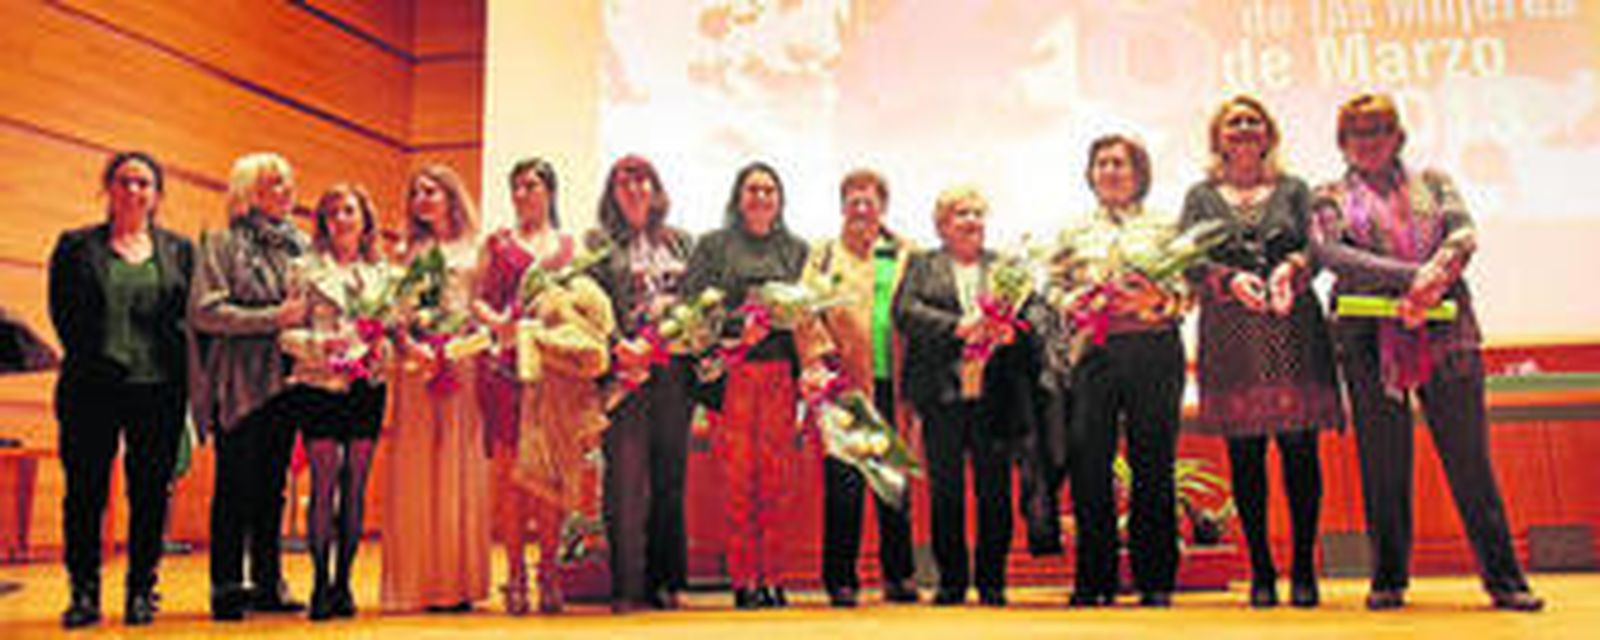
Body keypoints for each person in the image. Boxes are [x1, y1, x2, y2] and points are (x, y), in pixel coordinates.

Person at [1308, 93, 1544, 612]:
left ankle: (1505, 580)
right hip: (1368, 340)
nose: (1368, 141)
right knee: (1383, 462)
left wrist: (1438, 275)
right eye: (1358, 132)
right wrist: (1413, 276)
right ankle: (1388, 579)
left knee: (1469, 460)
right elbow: (1331, 253)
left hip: (1446, 333)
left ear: (1398, 135)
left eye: (1379, 130)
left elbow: (1462, 231)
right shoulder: (1327, 195)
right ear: (1343, 142)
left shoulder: (1434, 181)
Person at [1179, 96, 1344, 608]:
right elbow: (1186, 260)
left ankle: (1302, 570)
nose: (1244, 129)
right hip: (1231, 333)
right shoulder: (1200, 196)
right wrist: (1226, 280)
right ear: (1218, 137)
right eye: (1234, 122)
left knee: (1300, 452)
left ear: (1268, 133)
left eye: (1253, 121)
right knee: (1245, 456)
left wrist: (1292, 267)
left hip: (1291, 324)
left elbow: (1320, 250)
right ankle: (1262, 571)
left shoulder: (1296, 190)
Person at [49, 151, 194, 628]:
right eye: (125, 181)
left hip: (159, 388)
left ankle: (140, 589)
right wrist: (100, 359)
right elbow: (64, 316)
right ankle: (84, 592)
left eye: (144, 183)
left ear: (157, 195)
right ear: (108, 188)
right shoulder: (76, 246)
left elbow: (187, 319)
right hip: (92, 386)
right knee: (85, 492)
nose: (134, 191)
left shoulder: (179, 251)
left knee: (150, 493)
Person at [1052, 136, 1185, 608]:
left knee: (1153, 463)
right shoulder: (1072, 231)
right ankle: (1095, 580)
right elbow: (1052, 285)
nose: (1111, 171)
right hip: (1096, 355)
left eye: (1120, 163)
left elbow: (1185, 287)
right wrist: (1075, 302)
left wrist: (1155, 301)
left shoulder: (1167, 226)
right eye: (1102, 163)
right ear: (1090, 174)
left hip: (1154, 349)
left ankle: (1155, 580)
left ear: (1139, 172)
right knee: (1090, 463)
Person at [893, 184, 1034, 607]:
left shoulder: (1005, 267)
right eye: (961, 214)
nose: (972, 221)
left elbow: (1029, 315)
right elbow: (906, 311)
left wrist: (1011, 331)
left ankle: (992, 581)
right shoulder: (922, 264)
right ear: (942, 225)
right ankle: (952, 581)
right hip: (942, 393)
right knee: (946, 491)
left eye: (977, 213)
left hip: (996, 393)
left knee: (995, 492)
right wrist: (957, 327)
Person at [683, 161, 810, 609]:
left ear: (780, 200)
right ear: (738, 197)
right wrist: (738, 327)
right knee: (737, 481)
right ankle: (744, 579)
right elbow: (692, 311)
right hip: (732, 378)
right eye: (752, 190)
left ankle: (774, 577)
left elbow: (809, 315)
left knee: (775, 482)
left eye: (769, 190)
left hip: (779, 377)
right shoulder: (713, 247)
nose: (760, 197)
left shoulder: (797, 250)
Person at [191, 151, 308, 620]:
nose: (287, 191)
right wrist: (272, 319)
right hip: (238, 380)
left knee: (272, 488)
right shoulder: (220, 244)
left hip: (289, 379)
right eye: (275, 183)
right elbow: (205, 310)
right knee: (234, 484)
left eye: (288, 182)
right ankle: (226, 585)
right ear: (249, 192)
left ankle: (267, 583)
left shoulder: (301, 246)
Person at [798, 169, 919, 607]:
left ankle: (899, 576)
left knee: (893, 486)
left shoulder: (904, 253)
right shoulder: (825, 255)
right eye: (852, 199)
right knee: (845, 486)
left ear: (882, 205)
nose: (861, 207)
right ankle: (841, 579)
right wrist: (823, 358)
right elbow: (805, 312)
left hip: (894, 383)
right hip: (845, 384)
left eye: (869, 199)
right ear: (842, 205)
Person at [380, 164, 493, 613]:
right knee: (417, 463)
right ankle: (417, 582)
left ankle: (456, 583)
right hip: (417, 366)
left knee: (457, 463)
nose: (423, 199)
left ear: (451, 195)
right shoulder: (408, 250)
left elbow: (482, 306)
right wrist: (413, 345)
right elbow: (394, 313)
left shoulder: (476, 248)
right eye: (416, 193)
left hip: (463, 364)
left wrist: (460, 342)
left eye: (432, 191)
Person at [587, 155, 696, 612]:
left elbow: (697, 304)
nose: (634, 189)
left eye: (642, 180)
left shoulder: (682, 242)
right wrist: (619, 347)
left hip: (673, 372)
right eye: (624, 182)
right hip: (625, 375)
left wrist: (675, 335)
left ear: (656, 189)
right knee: (625, 481)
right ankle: (626, 585)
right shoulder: (597, 244)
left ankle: (664, 582)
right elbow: (588, 306)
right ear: (613, 193)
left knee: (670, 478)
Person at [277, 184, 390, 620]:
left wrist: (379, 349)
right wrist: (322, 346)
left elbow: (394, 333)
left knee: (356, 483)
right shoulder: (303, 269)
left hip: (367, 386)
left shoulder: (385, 274)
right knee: (324, 479)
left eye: (349, 211)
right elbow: (285, 332)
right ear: (323, 222)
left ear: (365, 220)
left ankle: (345, 582)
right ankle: (320, 582)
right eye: (332, 213)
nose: (341, 219)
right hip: (317, 383)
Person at [474, 158, 577, 614]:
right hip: (504, 372)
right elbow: (478, 298)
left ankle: (549, 573)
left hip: (553, 375)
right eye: (516, 186)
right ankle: (514, 574)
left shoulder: (571, 248)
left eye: (531, 185)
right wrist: (500, 323)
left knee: (550, 480)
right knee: (512, 478)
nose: (522, 194)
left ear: (550, 190)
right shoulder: (497, 244)